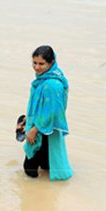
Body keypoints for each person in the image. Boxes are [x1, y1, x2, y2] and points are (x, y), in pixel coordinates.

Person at [21, 45, 73, 180]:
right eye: (34, 63)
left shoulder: (52, 84)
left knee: (29, 168)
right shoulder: (46, 78)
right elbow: (43, 106)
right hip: (45, 128)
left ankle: (32, 196)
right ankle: (47, 196)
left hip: (43, 129)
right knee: (45, 163)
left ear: (52, 62)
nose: (37, 67)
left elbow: (54, 111)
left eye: (41, 64)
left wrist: (34, 129)